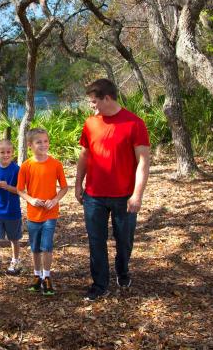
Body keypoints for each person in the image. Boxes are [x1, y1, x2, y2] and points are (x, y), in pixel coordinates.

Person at [75, 78, 150, 301]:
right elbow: (85, 155)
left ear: (107, 98)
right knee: (96, 241)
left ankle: (123, 270)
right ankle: (100, 284)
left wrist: (137, 194)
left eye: (94, 102)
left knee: (124, 240)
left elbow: (143, 162)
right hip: (94, 196)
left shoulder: (134, 123)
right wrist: (78, 183)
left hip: (124, 197)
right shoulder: (90, 123)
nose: (92, 106)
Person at [16, 128, 69, 296]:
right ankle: (37, 276)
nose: (43, 145)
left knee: (47, 247)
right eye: (39, 142)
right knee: (35, 248)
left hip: (50, 214)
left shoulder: (55, 164)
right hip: (33, 214)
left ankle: (47, 276)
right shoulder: (26, 166)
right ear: (30, 145)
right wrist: (31, 200)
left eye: (46, 141)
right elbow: (20, 190)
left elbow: (64, 187)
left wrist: (55, 200)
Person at [0, 139, 23, 277]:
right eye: (2, 152)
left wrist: (8, 187)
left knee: (14, 238)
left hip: (13, 210)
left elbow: (20, 190)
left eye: (8, 152)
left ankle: (15, 261)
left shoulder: (17, 169)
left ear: (12, 153)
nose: (6, 155)